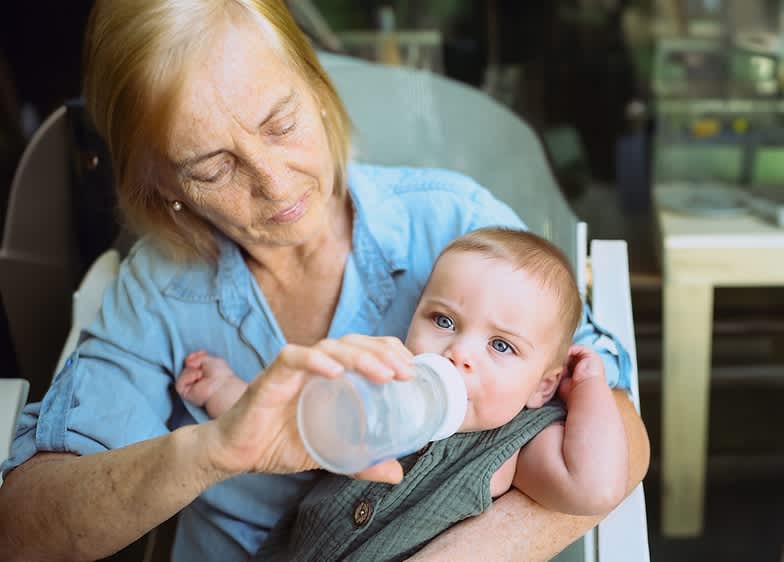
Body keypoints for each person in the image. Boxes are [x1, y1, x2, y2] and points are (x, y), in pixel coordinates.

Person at [0, 1, 649, 561]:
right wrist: (212, 450)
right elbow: (20, 531)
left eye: (281, 124)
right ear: (159, 182)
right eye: (212, 168)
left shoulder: (455, 227)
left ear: (316, 87)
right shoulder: (157, 295)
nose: (275, 184)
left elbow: (621, 437)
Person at [176, 227, 628, 561]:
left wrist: (589, 386)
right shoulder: (380, 388)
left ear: (542, 385)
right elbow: (289, 423)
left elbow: (595, 486)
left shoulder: (514, 447)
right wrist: (227, 390)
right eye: (444, 321)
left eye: (501, 346)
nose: (459, 353)